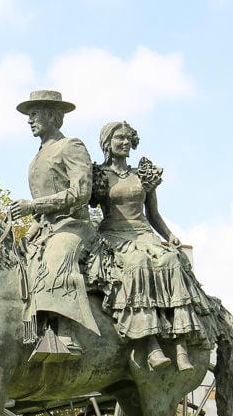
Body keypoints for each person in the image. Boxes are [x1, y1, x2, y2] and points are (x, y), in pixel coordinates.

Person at [86, 121, 215, 370]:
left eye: (127, 138)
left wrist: (170, 234)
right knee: (138, 263)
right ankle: (151, 343)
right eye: (118, 138)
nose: (124, 142)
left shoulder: (143, 174)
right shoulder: (99, 176)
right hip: (114, 234)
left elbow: (153, 214)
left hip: (144, 233)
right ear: (107, 144)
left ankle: (180, 344)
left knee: (171, 260)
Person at [8, 90, 100, 362]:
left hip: (73, 227)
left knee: (57, 259)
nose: (29, 121)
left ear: (52, 115)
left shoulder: (71, 146)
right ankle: (30, 333)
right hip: (47, 227)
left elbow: (81, 192)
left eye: (34, 114)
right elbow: (42, 208)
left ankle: (66, 335)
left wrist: (33, 207)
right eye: (29, 115)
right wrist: (33, 224)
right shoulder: (38, 156)